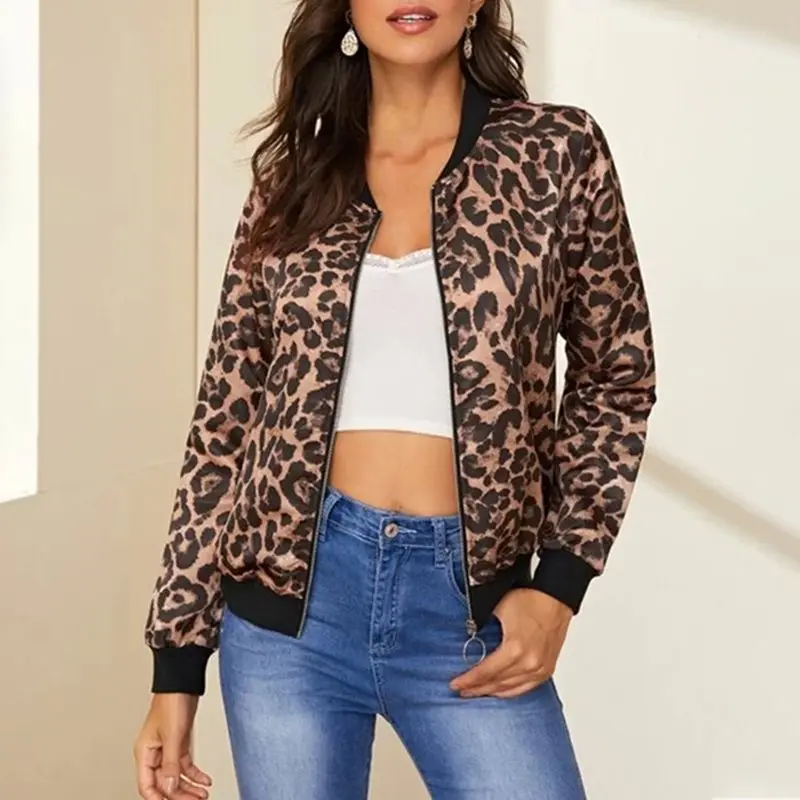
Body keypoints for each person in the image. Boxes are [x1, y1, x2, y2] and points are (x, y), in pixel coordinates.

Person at [134, 1, 656, 798]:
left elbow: (616, 376)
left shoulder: (556, 152)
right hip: (290, 618)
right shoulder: (295, 177)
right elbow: (226, 418)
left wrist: (559, 584)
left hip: (467, 613)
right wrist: (176, 664)